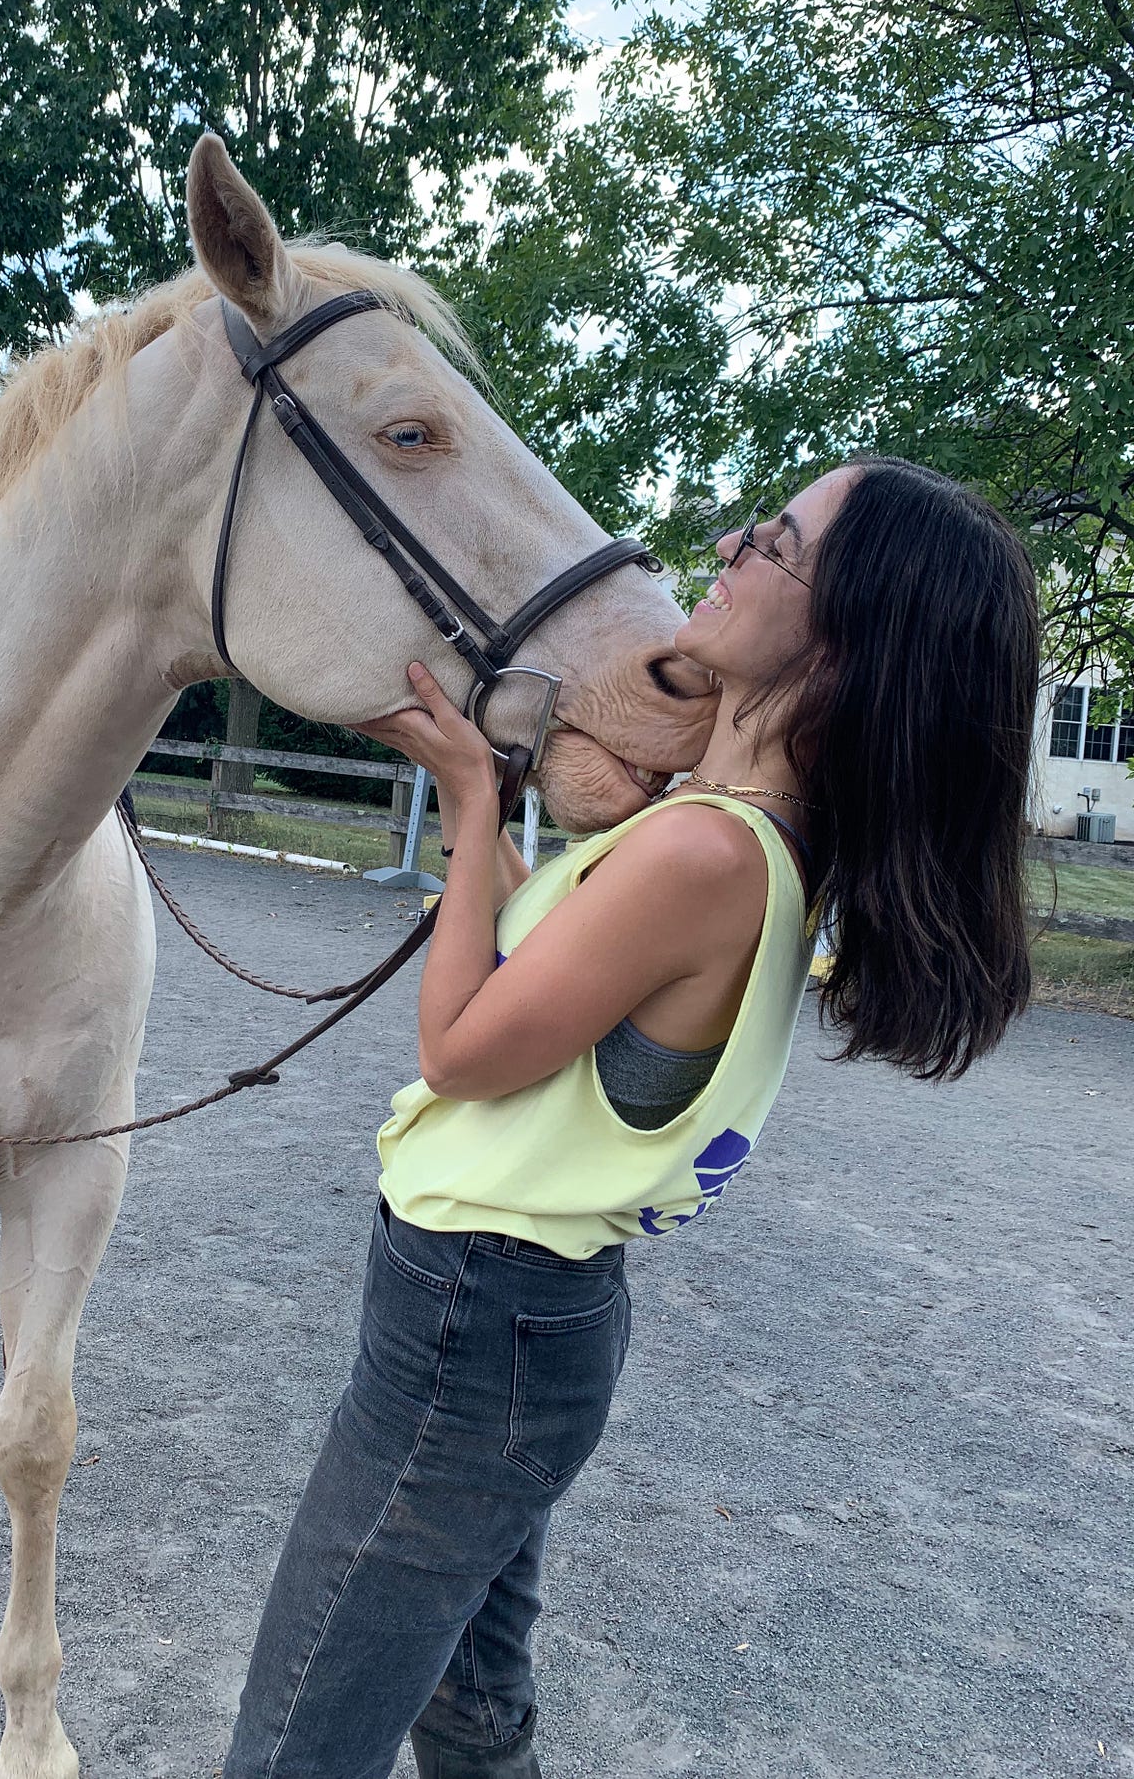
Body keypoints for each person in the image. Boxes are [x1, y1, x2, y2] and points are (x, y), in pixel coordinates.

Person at [221, 457, 1039, 1779]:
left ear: (843, 636)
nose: (729, 540)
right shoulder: (726, 837)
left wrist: (478, 799)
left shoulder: (702, 853)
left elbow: (463, 1045)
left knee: (296, 1740)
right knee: (469, 1709)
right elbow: (551, 968)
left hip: (472, 1321)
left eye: (774, 541)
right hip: (520, 1321)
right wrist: (488, 816)